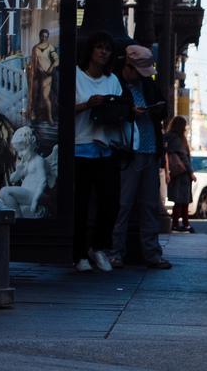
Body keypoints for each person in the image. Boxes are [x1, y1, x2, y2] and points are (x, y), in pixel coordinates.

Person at [109, 45, 171, 270]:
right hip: (129, 152)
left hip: (149, 149)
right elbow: (109, 113)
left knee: (149, 206)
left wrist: (154, 110)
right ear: (128, 66)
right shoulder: (116, 84)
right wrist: (129, 111)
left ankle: (152, 253)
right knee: (123, 204)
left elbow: (164, 110)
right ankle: (116, 252)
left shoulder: (148, 85)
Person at [73, 31, 123, 273]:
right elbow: (61, 111)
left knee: (110, 203)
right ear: (90, 51)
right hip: (79, 148)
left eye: (107, 49)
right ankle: (79, 253)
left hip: (105, 148)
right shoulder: (76, 76)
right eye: (99, 47)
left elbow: (121, 108)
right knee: (80, 205)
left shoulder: (112, 80)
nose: (103, 52)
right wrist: (87, 105)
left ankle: (98, 247)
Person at [165, 115, 196, 233]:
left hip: (174, 172)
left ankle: (182, 224)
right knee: (182, 200)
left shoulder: (169, 137)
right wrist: (191, 172)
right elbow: (184, 157)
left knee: (181, 200)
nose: (186, 128)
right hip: (182, 173)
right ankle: (180, 224)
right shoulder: (178, 139)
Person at [28, 29, 59, 124]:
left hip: (47, 75)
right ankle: (34, 114)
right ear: (40, 36)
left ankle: (50, 117)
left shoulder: (50, 47)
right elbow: (34, 61)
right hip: (37, 74)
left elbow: (57, 60)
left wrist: (51, 68)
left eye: (46, 36)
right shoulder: (35, 48)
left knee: (46, 96)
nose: (44, 38)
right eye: (42, 36)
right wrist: (36, 68)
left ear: (47, 37)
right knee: (34, 94)